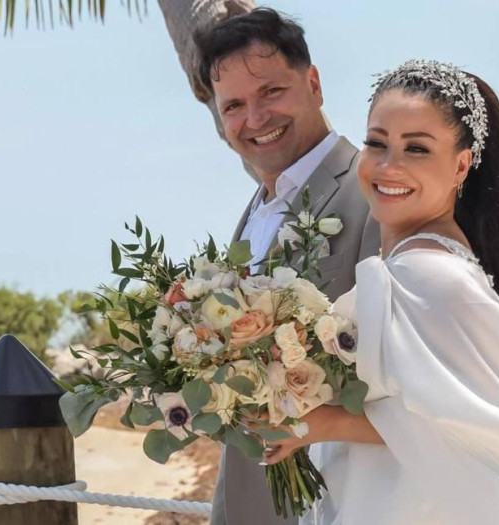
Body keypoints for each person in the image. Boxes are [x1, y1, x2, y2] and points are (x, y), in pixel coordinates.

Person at [259, 60, 499, 524]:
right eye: (377, 142)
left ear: (461, 166)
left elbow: (477, 428)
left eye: (417, 149)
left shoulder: (428, 275)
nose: (389, 166)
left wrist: (322, 423)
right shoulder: (421, 264)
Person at [193, 8, 379, 525]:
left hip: (339, 498)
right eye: (234, 105)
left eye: (271, 92)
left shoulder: (374, 192)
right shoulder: (255, 210)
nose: (255, 119)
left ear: (313, 83)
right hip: (247, 499)